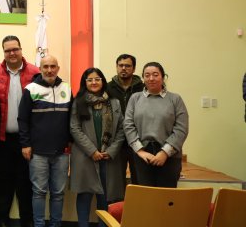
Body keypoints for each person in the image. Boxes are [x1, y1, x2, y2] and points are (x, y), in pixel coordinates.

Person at [0, 35, 39, 227]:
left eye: (15, 49)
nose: (12, 53)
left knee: (26, 182)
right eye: (8, 50)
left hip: (27, 140)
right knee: (3, 181)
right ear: (3, 52)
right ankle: (1, 219)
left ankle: (27, 220)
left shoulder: (35, 73)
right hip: (1, 139)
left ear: (21, 49)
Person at [18, 55, 72, 227]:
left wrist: (70, 141)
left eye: (53, 66)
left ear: (58, 68)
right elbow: (23, 119)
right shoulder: (31, 89)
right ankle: (39, 225)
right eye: (46, 66)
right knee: (39, 192)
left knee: (58, 193)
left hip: (61, 153)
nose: (49, 70)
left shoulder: (67, 88)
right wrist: (25, 144)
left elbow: (73, 119)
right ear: (40, 68)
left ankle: (55, 224)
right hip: (37, 152)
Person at [70, 68, 125, 227]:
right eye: (90, 80)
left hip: (108, 158)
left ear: (103, 81)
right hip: (85, 157)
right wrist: (92, 151)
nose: (94, 82)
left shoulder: (114, 103)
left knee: (106, 197)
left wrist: (111, 150)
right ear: (84, 83)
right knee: (85, 195)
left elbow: (122, 129)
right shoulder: (78, 102)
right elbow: (75, 129)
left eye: (97, 79)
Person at [123, 62, 189, 187]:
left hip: (169, 155)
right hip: (142, 155)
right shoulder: (135, 98)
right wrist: (141, 151)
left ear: (163, 77)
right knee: (145, 198)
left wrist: (164, 153)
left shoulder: (175, 99)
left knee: (166, 199)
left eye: (155, 75)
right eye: (147, 75)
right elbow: (128, 125)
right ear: (143, 78)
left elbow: (181, 129)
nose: (151, 78)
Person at [106, 54, 144, 190]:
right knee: (115, 183)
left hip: (139, 141)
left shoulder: (143, 89)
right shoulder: (107, 88)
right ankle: (117, 209)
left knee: (140, 180)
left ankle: (138, 209)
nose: (124, 68)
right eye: (120, 65)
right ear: (116, 67)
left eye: (127, 66)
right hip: (116, 142)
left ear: (133, 69)